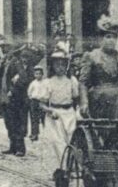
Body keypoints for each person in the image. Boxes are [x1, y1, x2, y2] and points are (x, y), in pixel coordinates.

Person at [78, 29, 118, 175]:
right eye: (107, 36)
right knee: (100, 128)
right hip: (98, 96)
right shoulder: (91, 56)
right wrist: (84, 102)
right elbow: (83, 82)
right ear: (100, 39)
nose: (111, 40)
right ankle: (98, 154)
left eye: (114, 37)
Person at [41, 51, 80, 181]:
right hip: (54, 115)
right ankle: (60, 170)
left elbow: (75, 97)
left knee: (71, 141)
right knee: (57, 142)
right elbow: (41, 104)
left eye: (63, 65)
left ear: (66, 66)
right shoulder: (48, 82)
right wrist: (50, 110)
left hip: (69, 114)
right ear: (53, 66)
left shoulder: (71, 81)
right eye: (57, 65)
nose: (60, 68)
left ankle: (70, 168)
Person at [1, 44, 32, 157]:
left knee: (19, 124)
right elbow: (7, 78)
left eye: (26, 58)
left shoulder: (27, 68)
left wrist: (14, 86)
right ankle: (12, 146)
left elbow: (26, 80)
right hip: (9, 99)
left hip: (21, 99)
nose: (24, 60)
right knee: (10, 123)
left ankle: (20, 149)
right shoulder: (10, 64)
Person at [27, 65, 48, 141]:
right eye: (36, 74)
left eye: (39, 74)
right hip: (34, 101)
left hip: (43, 101)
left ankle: (47, 133)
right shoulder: (33, 83)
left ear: (42, 74)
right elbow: (29, 92)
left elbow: (48, 91)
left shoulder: (45, 82)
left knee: (44, 117)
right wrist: (31, 97)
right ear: (34, 75)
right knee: (34, 118)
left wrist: (45, 98)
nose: (38, 75)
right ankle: (34, 134)